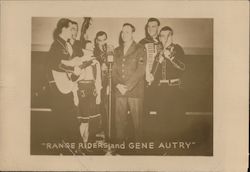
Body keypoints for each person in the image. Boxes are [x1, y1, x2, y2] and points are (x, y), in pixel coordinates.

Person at [47, 18, 79, 154]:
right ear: (64, 29)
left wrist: (77, 64)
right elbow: (56, 64)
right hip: (59, 88)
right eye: (71, 28)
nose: (73, 31)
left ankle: (67, 149)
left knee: (67, 116)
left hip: (65, 86)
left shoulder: (65, 45)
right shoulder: (56, 45)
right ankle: (58, 151)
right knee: (62, 118)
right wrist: (73, 69)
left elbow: (66, 62)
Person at [149, 26, 185, 139]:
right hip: (161, 90)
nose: (164, 38)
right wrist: (158, 61)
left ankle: (175, 146)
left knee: (175, 120)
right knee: (161, 120)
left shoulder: (178, 49)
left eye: (167, 35)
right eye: (162, 36)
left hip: (174, 90)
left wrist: (170, 57)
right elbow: (152, 74)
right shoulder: (158, 52)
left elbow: (183, 67)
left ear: (171, 36)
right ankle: (163, 146)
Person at [112, 23, 146, 142]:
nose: (124, 34)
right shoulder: (116, 50)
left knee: (138, 124)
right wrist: (117, 84)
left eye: (127, 32)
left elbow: (141, 70)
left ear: (132, 33)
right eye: (122, 32)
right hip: (119, 90)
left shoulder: (140, 49)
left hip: (135, 91)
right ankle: (119, 146)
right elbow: (113, 70)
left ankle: (139, 149)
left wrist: (127, 86)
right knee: (119, 122)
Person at [76, 40, 102, 144]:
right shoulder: (78, 61)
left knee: (91, 119)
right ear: (83, 49)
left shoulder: (96, 62)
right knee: (84, 120)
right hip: (81, 90)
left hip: (92, 90)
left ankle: (87, 143)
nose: (91, 49)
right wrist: (75, 95)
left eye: (92, 47)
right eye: (89, 47)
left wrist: (99, 94)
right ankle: (81, 143)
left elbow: (98, 80)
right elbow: (73, 80)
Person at [139, 18, 162, 120]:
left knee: (161, 109)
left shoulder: (163, 41)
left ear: (158, 28)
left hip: (161, 80)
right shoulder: (142, 42)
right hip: (146, 80)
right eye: (148, 26)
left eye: (153, 26)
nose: (150, 28)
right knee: (145, 109)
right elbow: (139, 62)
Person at [93, 31, 109, 140]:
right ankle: (97, 130)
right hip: (97, 83)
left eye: (104, 40)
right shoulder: (93, 52)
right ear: (96, 41)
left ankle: (107, 130)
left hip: (108, 83)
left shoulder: (111, 50)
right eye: (100, 40)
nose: (102, 42)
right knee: (98, 107)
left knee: (106, 106)